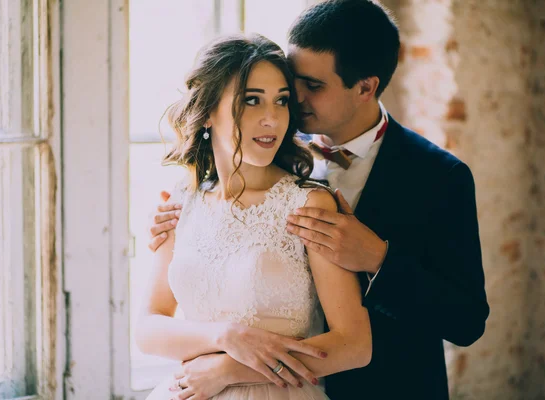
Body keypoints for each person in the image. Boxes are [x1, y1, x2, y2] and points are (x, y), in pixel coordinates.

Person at [147, 1, 490, 399]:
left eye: (313, 86)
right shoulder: (265, 145)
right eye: (292, 80)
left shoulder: (438, 177)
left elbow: (466, 320)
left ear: (365, 87)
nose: (292, 97)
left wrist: (379, 259)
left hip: (387, 387)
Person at [136, 33, 372, 400]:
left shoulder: (308, 205)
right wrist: (225, 336)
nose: (272, 119)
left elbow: (354, 345)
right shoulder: (181, 202)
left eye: (281, 101)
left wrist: (230, 369)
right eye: (251, 101)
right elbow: (148, 330)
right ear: (208, 112)